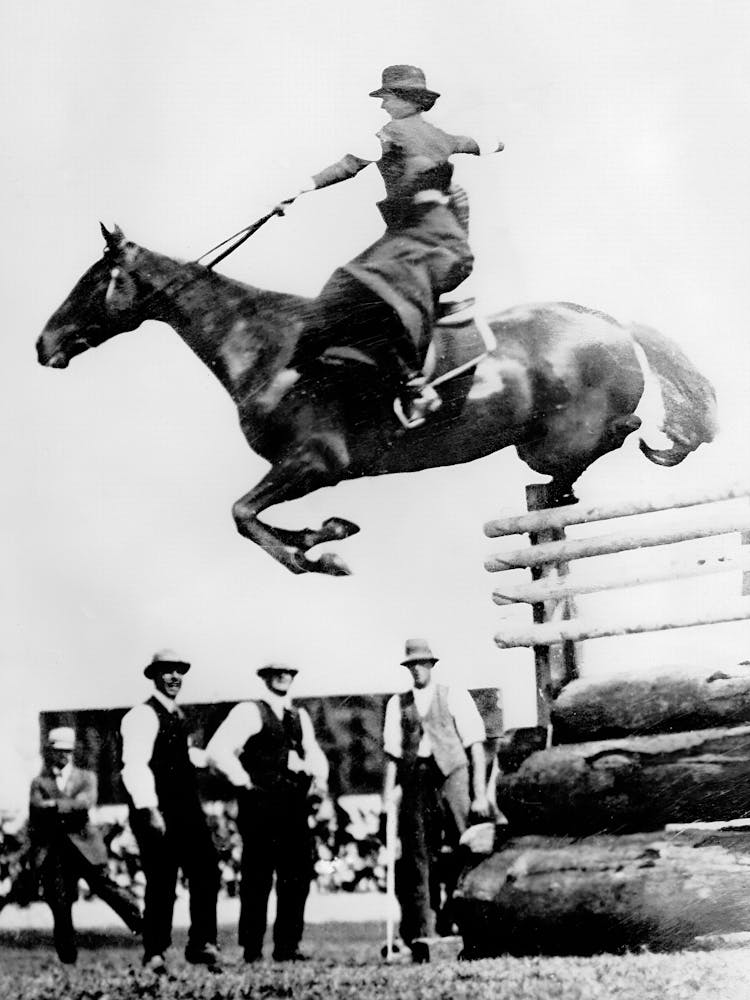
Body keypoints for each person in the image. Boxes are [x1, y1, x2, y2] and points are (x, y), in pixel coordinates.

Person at [279, 64, 503, 425]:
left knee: (352, 283)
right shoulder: (440, 136)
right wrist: (496, 143)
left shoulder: (391, 133)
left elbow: (350, 164)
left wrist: (300, 187)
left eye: (387, 98)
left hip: (421, 242)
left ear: (403, 100)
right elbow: (478, 144)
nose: (383, 105)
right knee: (361, 288)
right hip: (441, 242)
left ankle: (416, 388)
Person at [206, 663, 329, 963]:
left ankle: (288, 946)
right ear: (264, 676)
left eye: (289, 671)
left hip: (294, 804)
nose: (284, 675)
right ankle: (252, 948)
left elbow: (313, 754)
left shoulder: (299, 716)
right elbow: (217, 751)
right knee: (257, 877)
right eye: (276, 670)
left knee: (297, 875)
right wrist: (244, 781)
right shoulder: (250, 712)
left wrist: (319, 781)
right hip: (261, 804)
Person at [382, 639, 492, 956]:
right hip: (416, 778)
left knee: (466, 845)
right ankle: (424, 932)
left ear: (432, 665)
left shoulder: (453, 694)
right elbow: (392, 754)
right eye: (412, 664)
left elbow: (475, 744)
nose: (418, 669)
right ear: (407, 668)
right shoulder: (397, 703)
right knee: (417, 853)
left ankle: (464, 921)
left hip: (453, 774)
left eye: (422, 663)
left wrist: (480, 793)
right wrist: (388, 795)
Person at [120, 650, 221, 974]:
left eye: (180, 671)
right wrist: (149, 809)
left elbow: (183, 755)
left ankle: (201, 943)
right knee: (161, 881)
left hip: (186, 808)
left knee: (206, 870)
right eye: (167, 671)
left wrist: (215, 759)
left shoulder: (177, 716)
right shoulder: (142, 715)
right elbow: (134, 764)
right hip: (158, 808)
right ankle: (155, 952)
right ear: (153, 675)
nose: (175, 677)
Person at [28, 726, 142, 965]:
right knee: (59, 905)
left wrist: (54, 806)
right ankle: (67, 958)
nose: (64, 755)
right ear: (50, 752)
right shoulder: (40, 781)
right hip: (55, 852)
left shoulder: (86, 776)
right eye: (59, 751)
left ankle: (142, 925)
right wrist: (66, 805)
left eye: (68, 751)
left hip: (86, 848)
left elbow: (84, 804)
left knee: (107, 889)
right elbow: (37, 808)